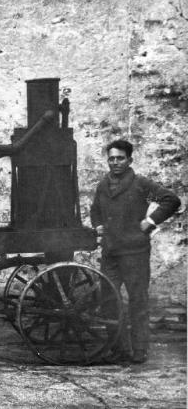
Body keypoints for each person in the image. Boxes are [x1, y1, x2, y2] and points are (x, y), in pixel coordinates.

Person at [90, 139, 181, 364]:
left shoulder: (140, 183)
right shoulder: (103, 185)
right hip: (111, 253)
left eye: (120, 158)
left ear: (129, 160)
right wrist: (97, 225)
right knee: (109, 300)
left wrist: (150, 221)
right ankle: (118, 348)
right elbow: (95, 210)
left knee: (137, 302)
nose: (115, 162)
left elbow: (172, 200)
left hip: (135, 253)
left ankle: (139, 350)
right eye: (111, 158)